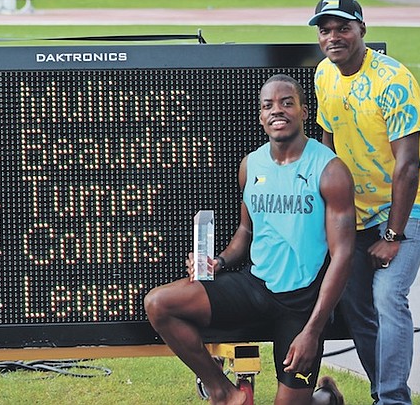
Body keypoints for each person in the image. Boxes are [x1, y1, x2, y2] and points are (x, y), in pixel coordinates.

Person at [144, 74, 355, 405]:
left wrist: (313, 331)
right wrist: (220, 261)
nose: (277, 111)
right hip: (255, 288)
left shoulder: (330, 170)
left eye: (287, 103)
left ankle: (326, 397)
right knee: (159, 303)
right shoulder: (250, 164)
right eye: (268, 105)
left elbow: (343, 255)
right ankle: (222, 390)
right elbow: (245, 232)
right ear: (260, 116)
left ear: (302, 111)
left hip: (301, 304)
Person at [308, 0, 420, 405]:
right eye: (326, 30)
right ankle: (380, 391)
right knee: (356, 304)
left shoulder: (392, 80)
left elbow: (409, 166)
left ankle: (393, 399)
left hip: (410, 205)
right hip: (358, 209)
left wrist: (394, 234)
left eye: (343, 27)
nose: (334, 37)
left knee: (387, 295)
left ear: (362, 29)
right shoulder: (324, 75)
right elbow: (328, 145)